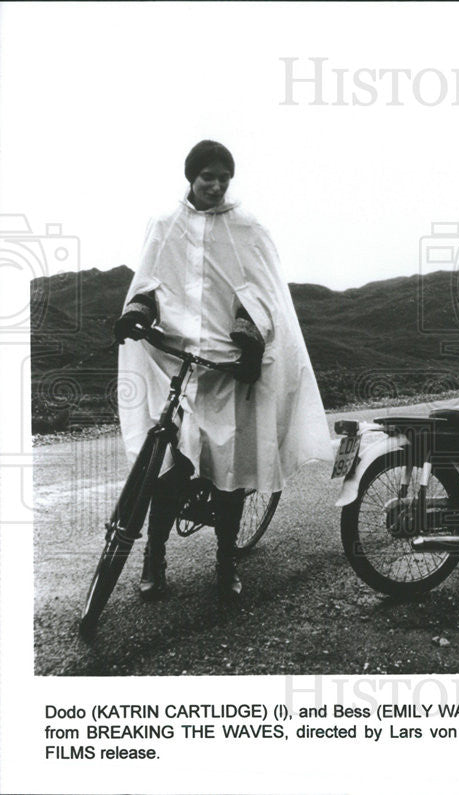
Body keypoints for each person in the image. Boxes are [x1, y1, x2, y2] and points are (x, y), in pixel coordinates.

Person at [114, 140, 333, 600]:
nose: (215, 186)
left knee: (231, 469)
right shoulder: (164, 224)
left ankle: (226, 559)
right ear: (190, 177)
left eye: (223, 178)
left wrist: (249, 328)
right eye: (207, 177)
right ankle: (155, 554)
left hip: (226, 366)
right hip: (172, 360)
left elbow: (265, 292)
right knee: (169, 466)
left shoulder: (247, 226)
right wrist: (137, 309)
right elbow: (150, 282)